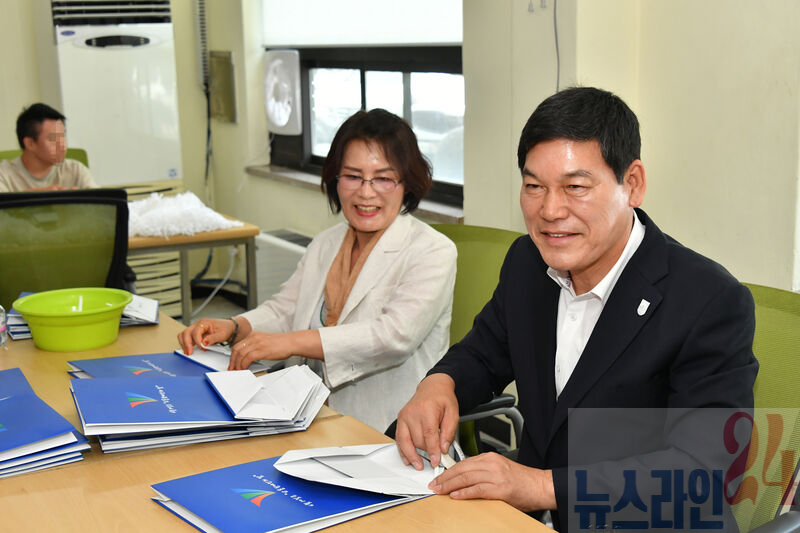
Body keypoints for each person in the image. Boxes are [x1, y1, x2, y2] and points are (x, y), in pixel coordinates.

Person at [395, 87, 758, 530]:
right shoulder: (528, 263)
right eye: (534, 187)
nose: (550, 210)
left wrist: (541, 486)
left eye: (575, 187)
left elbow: (703, 474)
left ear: (633, 184)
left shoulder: (708, 301)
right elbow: (483, 352)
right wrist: (439, 384)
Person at [178, 108, 457, 433]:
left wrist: (291, 342)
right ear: (335, 179)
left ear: (407, 183)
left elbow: (393, 337)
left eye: (383, 178)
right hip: (309, 416)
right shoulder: (327, 242)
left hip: (390, 431)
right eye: (352, 176)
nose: (366, 192)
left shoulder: (432, 251)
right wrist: (234, 326)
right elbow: (286, 309)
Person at [0, 103, 97, 192]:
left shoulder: (76, 170)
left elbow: (98, 202)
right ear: (30, 144)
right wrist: (42, 196)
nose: (62, 144)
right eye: (53, 138)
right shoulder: (4, 174)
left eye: (63, 136)